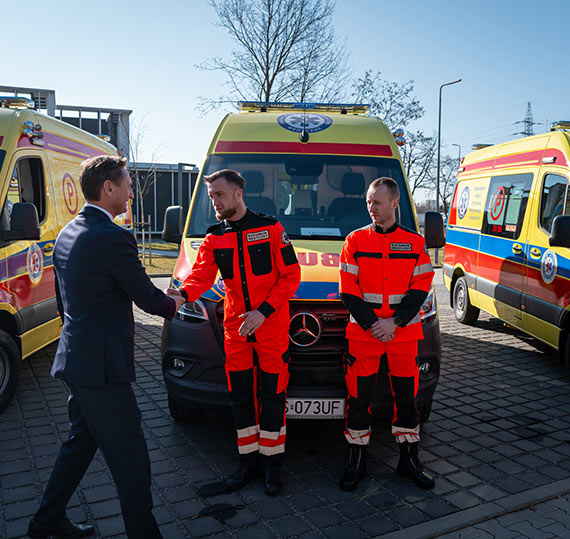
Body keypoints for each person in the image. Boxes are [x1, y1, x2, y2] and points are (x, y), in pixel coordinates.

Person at [27, 156, 185, 539]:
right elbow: (148, 299)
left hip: (77, 360)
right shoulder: (115, 237)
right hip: (102, 369)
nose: (132, 191)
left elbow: (65, 303)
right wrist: (175, 301)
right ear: (108, 188)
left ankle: (45, 522)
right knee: (130, 456)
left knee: (80, 444)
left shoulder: (67, 233)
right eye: (128, 184)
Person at [167, 169, 300, 496]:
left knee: (272, 398)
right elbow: (200, 277)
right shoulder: (214, 237)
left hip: (270, 330)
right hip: (236, 331)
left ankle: (272, 467)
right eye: (211, 196)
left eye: (219, 195)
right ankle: (248, 463)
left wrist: (263, 312)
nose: (214, 202)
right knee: (240, 399)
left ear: (238, 194)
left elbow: (291, 276)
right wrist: (180, 295)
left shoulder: (270, 229)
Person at [338, 177, 435, 492]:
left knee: (407, 400)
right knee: (358, 400)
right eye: (368, 201)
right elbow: (347, 290)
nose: (371, 208)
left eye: (377, 202)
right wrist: (372, 324)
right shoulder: (354, 241)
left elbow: (421, 288)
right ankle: (357, 461)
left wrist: (394, 322)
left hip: (402, 335)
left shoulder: (414, 242)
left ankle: (408, 460)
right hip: (364, 335)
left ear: (395, 203)